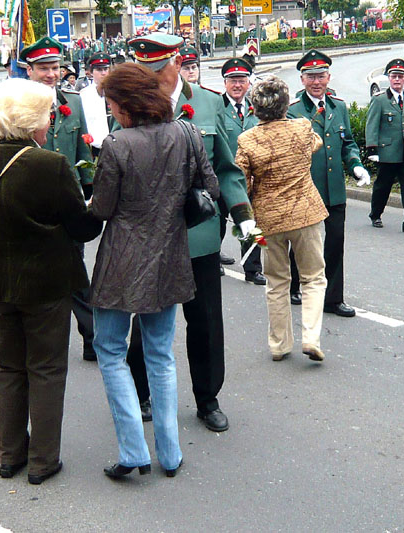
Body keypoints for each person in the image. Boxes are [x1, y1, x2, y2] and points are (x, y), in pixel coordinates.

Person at [0, 78, 102, 485]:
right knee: (47, 368)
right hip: (45, 284)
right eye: (48, 115)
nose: (51, 121)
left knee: (8, 367)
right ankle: (42, 461)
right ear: (37, 122)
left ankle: (10, 456)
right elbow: (82, 229)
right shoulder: (51, 164)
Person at [91, 63, 218, 479]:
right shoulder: (185, 132)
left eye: (111, 102)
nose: (110, 110)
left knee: (111, 351)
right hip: (170, 257)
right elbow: (210, 190)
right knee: (160, 355)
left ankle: (133, 452)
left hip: (122, 262)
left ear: (125, 104)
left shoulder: (116, 144)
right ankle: (171, 454)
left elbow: (103, 208)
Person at [127, 32, 256, 433]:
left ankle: (207, 398)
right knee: (147, 316)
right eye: (143, 70)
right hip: (151, 235)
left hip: (198, 233)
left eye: (156, 70)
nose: (149, 78)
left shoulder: (209, 103)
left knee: (204, 321)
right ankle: (141, 390)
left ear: (177, 65)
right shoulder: (135, 103)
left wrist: (242, 214)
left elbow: (226, 168)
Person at [234, 76, 328, 362]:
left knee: (276, 281)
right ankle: (310, 338)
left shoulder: (246, 140)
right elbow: (317, 143)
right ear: (286, 104)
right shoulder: (302, 128)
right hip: (305, 215)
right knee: (313, 278)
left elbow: (243, 183)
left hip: (269, 220)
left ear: (254, 108)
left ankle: (279, 344)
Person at [20, 36, 97, 360]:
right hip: (31, 205)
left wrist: (90, 191)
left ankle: (92, 337)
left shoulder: (75, 101)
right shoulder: (17, 104)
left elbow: (82, 150)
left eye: (55, 68)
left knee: (74, 266)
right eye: (43, 69)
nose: (51, 74)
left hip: (68, 202)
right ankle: (39, 341)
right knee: (38, 273)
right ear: (29, 71)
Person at [288, 49, 371, 317]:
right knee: (302, 243)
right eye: (311, 76)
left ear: (328, 77)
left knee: (335, 243)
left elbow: (348, 143)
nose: (316, 81)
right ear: (302, 79)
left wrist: (356, 165)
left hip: (334, 189)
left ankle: (333, 299)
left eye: (321, 76)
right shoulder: (292, 111)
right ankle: (295, 285)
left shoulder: (339, 107)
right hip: (305, 189)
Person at [219, 57, 265, 285]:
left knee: (249, 223)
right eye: (232, 81)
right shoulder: (218, 107)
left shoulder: (257, 109)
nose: (237, 85)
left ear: (249, 83)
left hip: (250, 178)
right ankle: (212, 259)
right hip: (221, 176)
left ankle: (252, 268)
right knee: (216, 221)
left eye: (242, 80)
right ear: (225, 83)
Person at [365, 58, 404, 235]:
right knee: (383, 186)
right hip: (387, 151)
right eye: (394, 76)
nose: (397, 80)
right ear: (388, 78)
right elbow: (372, 125)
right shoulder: (380, 100)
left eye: (400, 77)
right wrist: (372, 149)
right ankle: (376, 215)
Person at [79, 52, 113, 157]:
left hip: (117, 147)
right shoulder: (84, 95)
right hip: (94, 149)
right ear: (91, 72)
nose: (103, 73)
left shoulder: (117, 92)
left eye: (106, 69)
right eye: (99, 70)